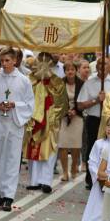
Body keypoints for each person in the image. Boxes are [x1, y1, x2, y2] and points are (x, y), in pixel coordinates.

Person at [0, 47, 34, 212]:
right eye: (2, 61)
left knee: (12, 160)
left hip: (14, 124)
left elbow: (29, 104)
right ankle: (0, 191)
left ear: (14, 61)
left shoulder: (23, 80)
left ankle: (8, 196)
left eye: (8, 60)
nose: (4, 64)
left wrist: (15, 105)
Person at [24, 53, 68, 194]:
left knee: (49, 150)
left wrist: (53, 117)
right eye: (39, 62)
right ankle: (34, 180)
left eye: (46, 63)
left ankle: (46, 181)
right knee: (33, 149)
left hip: (50, 120)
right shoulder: (29, 80)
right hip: (32, 119)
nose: (42, 65)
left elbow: (62, 102)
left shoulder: (57, 81)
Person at [78, 57, 110, 189]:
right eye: (99, 63)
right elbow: (80, 105)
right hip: (94, 119)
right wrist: (96, 100)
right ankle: (91, 179)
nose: (102, 66)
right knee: (92, 148)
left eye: (105, 63)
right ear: (96, 66)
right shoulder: (90, 82)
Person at [57, 61, 84, 181]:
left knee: (76, 146)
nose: (70, 72)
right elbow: (56, 100)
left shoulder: (82, 83)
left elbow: (84, 100)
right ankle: (64, 172)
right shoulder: (59, 83)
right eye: (68, 70)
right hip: (63, 117)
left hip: (77, 117)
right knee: (62, 145)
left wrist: (75, 111)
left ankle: (74, 166)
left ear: (76, 70)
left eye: (72, 69)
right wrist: (66, 111)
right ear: (65, 72)